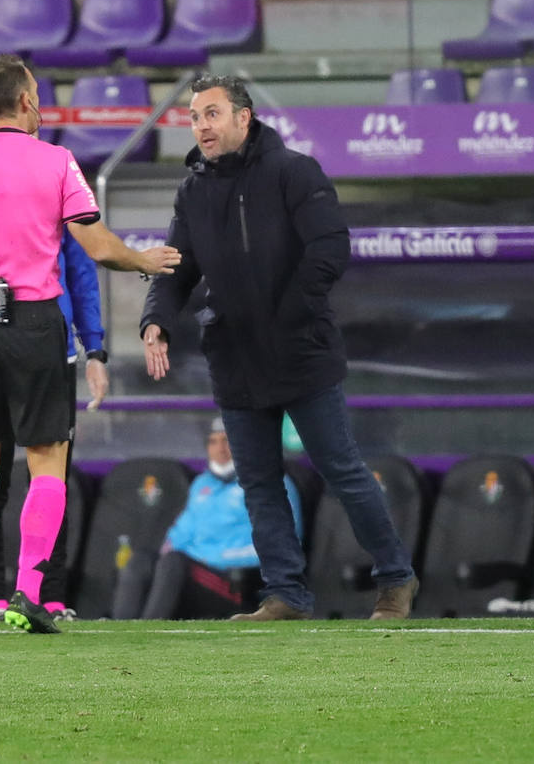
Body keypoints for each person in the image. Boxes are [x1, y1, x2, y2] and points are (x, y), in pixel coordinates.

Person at [0, 54, 181, 636]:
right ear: (28, 102)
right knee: (46, 464)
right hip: (33, 323)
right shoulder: (57, 162)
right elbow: (97, 246)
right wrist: (143, 260)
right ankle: (29, 594)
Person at [140, 75, 418, 621]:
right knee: (259, 481)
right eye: (195, 117)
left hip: (301, 350)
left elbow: (330, 248)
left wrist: (288, 314)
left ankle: (396, 579)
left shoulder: (294, 172)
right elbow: (177, 266)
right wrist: (156, 322)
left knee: (341, 468)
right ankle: (285, 594)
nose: (202, 126)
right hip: (235, 356)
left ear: (244, 118)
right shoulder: (192, 189)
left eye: (212, 114)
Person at [0, 220, 107, 621]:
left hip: (28, 352)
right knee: (34, 478)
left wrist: (94, 348)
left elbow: (80, 273)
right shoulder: (53, 189)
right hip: (37, 346)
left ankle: (39, 596)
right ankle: (1, 595)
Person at [110, 418, 303, 620]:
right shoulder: (202, 484)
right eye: (213, 441)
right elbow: (181, 532)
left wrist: (211, 557)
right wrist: (167, 552)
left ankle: (149, 633)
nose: (220, 448)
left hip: (237, 582)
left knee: (173, 564)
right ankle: (119, 634)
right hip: (188, 571)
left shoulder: (271, 484)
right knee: (140, 561)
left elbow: (281, 547)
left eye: (227, 440)